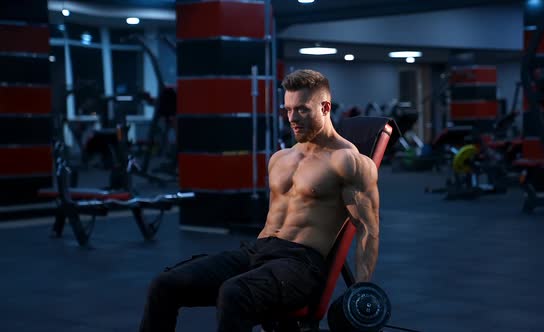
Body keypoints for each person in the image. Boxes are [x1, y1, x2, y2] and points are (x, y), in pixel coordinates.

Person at [138, 69, 380, 332]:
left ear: (325, 107)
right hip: (257, 251)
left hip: (300, 264)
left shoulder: (347, 161)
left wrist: (361, 291)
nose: (292, 118)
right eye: (287, 109)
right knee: (165, 285)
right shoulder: (280, 158)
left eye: (301, 109)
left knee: (234, 294)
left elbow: (368, 229)